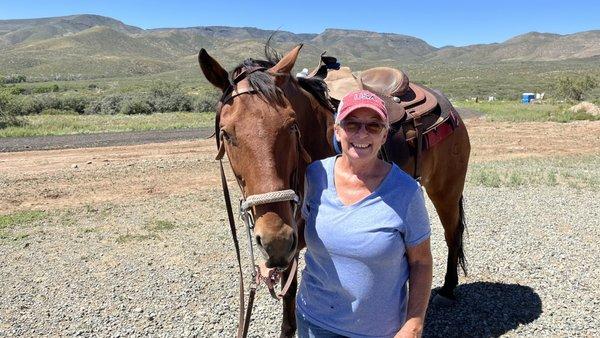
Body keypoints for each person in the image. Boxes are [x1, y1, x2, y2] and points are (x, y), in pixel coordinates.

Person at [295, 89, 433, 338]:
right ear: (337, 130)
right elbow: (304, 232)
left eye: (373, 126)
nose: (361, 134)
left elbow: (421, 262)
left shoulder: (406, 192)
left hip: (378, 331)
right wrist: (272, 258)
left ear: (384, 135)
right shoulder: (315, 176)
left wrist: (414, 323)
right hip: (313, 320)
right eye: (352, 124)